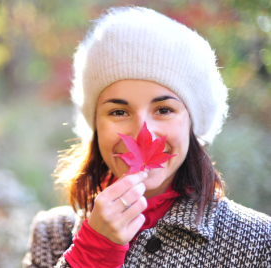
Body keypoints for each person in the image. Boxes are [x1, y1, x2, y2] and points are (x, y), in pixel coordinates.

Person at [22, 6, 271, 268]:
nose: (143, 134)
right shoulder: (52, 234)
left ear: (191, 123)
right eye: (119, 111)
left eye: (164, 110)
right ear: (95, 124)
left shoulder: (259, 243)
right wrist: (91, 252)